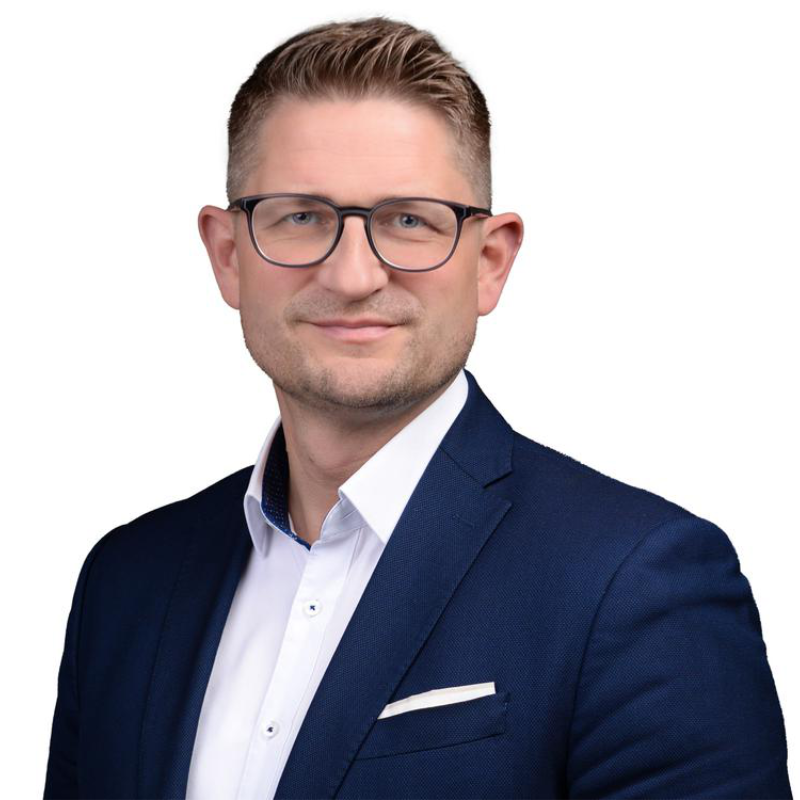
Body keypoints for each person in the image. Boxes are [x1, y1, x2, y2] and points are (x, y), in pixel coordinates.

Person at [43, 16, 792, 800]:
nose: (353, 275)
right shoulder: (125, 584)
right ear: (229, 256)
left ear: (490, 261)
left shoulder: (636, 582)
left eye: (408, 220)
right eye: (301, 216)